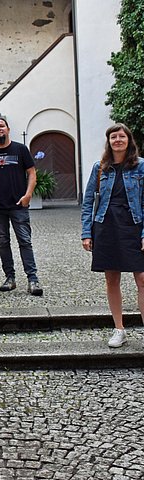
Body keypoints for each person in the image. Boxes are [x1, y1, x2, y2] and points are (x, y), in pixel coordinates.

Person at [81, 123, 144, 348]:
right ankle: (119, 329)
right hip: (106, 227)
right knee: (111, 279)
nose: (117, 140)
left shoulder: (141, 167)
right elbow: (88, 201)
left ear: (129, 140)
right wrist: (86, 233)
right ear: (108, 142)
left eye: (122, 136)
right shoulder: (100, 168)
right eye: (113, 137)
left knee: (142, 279)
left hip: (134, 225)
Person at [0, 116, 43, 296]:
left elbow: (31, 173)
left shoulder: (20, 150)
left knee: (25, 241)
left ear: (8, 129)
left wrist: (28, 195)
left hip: (18, 205)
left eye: (2, 126)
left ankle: (33, 279)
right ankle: (10, 278)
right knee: (3, 242)